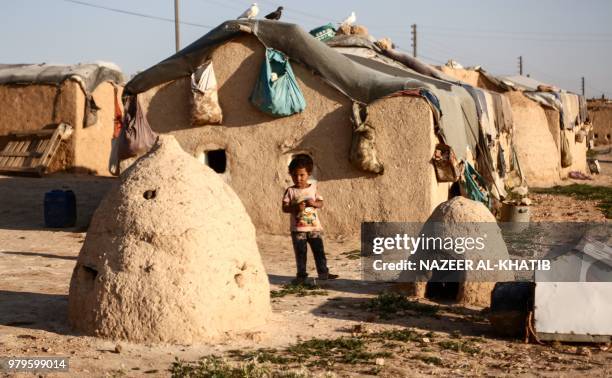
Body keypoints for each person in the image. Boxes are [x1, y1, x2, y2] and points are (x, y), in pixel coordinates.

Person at [282, 154, 338, 283]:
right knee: (301, 253)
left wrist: (314, 204)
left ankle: (323, 273)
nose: (298, 178)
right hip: (298, 230)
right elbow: (285, 208)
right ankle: (301, 276)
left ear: (309, 174)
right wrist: (295, 207)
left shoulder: (313, 188)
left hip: (314, 228)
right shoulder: (290, 191)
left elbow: (321, 203)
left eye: (302, 175)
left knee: (319, 251)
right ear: (290, 174)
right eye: (295, 175)